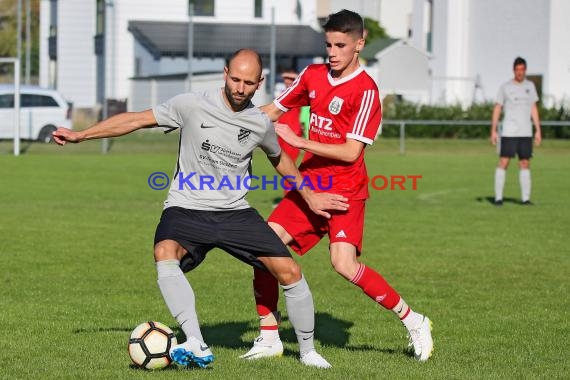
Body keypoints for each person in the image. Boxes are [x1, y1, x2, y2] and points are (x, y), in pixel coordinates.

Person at [52, 49, 349, 369]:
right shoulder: (191, 104)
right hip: (187, 206)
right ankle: (194, 339)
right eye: (235, 79)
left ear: (259, 82)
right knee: (165, 251)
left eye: (249, 83)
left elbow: (280, 159)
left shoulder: (260, 122)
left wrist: (309, 195)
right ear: (225, 73)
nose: (240, 87)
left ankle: (308, 353)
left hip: (235, 212)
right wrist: (82, 134)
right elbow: (137, 119)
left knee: (290, 272)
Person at [240, 10, 434, 362]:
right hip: (310, 185)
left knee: (343, 264)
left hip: (346, 191)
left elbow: (350, 151)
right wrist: (232, 120)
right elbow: (275, 109)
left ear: (359, 44)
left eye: (340, 45)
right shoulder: (313, 75)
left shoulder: (366, 91)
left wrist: (301, 143)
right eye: (328, 44)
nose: (332, 52)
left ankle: (414, 320)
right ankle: (269, 337)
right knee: (262, 248)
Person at [491, 56, 542, 206]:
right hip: (509, 131)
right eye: (517, 70)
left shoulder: (530, 86)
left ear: (525, 70)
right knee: (504, 162)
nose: (519, 72)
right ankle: (498, 198)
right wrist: (493, 130)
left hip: (525, 132)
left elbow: (533, 108)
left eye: (522, 70)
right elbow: (497, 107)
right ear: (514, 70)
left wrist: (538, 130)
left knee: (525, 163)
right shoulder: (505, 87)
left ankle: (525, 199)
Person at [273, 68, 304, 206]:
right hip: (280, 136)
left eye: (291, 79)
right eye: (285, 79)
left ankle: (288, 199)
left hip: (293, 136)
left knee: (289, 167)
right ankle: (289, 198)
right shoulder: (282, 95)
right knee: (282, 168)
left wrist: (295, 78)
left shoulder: (298, 94)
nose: (287, 81)